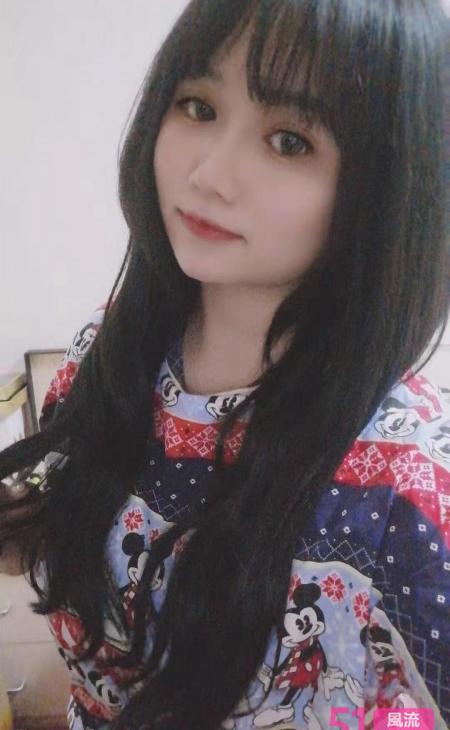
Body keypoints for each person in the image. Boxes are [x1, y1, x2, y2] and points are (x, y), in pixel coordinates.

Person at [0, 1, 449, 728]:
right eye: (198, 106)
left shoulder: (408, 485)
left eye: (289, 141)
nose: (208, 173)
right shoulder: (105, 351)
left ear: (388, 186)